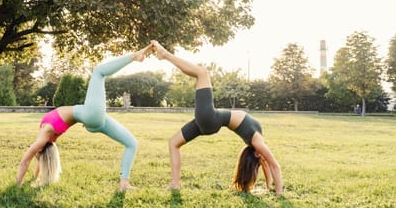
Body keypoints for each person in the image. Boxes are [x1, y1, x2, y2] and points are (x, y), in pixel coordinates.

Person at [150, 40, 283, 196]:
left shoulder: (257, 142)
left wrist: (279, 193)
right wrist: (268, 187)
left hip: (211, 118)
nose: (265, 156)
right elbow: (267, 165)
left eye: (262, 156)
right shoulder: (257, 147)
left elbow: (274, 166)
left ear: (256, 154)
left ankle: (165, 54)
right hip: (208, 122)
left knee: (202, 73)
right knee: (173, 143)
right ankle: (175, 184)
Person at [16, 43, 153, 191]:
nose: (32, 149)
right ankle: (134, 56)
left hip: (93, 121)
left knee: (132, 143)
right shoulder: (44, 135)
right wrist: (17, 185)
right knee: (99, 72)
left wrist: (36, 175)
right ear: (40, 149)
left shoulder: (46, 140)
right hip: (90, 114)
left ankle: (124, 184)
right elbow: (25, 161)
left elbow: (40, 159)